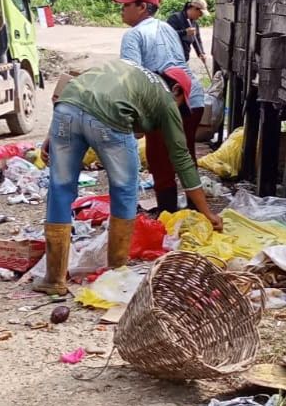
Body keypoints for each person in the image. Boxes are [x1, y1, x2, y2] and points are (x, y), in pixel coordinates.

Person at [34, 59, 223, 295]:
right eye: (179, 106)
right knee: (124, 190)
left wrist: (52, 136)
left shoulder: (130, 71)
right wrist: (207, 212)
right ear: (176, 90)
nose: (175, 112)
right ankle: (116, 270)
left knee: (60, 187)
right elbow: (182, 159)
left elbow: (77, 94)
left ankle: (53, 280)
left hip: (66, 110)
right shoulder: (165, 97)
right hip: (107, 118)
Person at [116, 0, 206, 214]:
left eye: (126, 5)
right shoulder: (166, 27)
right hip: (192, 97)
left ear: (142, 7)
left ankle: (168, 213)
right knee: (185, 154)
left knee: (160, 159)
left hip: (166, 100)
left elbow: (132, 77)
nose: (122, 9)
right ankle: (196, 211)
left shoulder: (133, 36)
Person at [166, 0, 209, 64]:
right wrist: (185, 32)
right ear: (194, 8)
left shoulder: (194, 23)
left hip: (184, 59)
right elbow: (166, 35)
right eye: (200, 13)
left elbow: (197, 39)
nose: (201, 16)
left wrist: (201, 53)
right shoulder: (175, 18)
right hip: (171, 59)